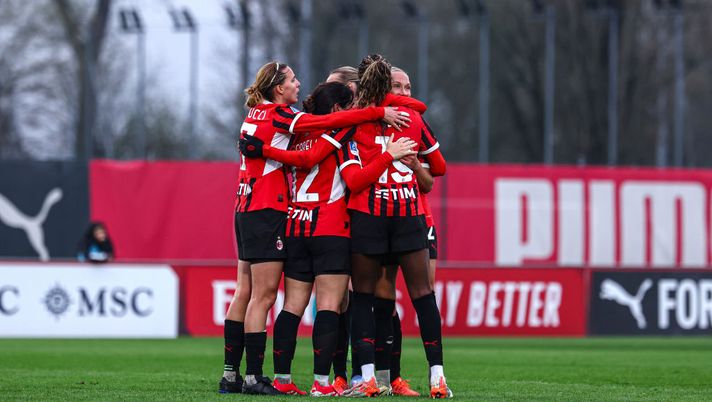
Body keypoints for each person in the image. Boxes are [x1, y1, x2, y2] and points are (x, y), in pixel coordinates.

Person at [219, 60, 412, 396]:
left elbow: (296, 152)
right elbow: (341, 156)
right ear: (278, 88)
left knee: (264, 297)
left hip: (274, 216)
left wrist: (264, 149)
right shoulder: (295, 121)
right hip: (314, 222)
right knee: (324, 304)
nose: (298, 84)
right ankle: (319, 381)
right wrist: (376, 123)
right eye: (292, 79)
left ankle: (245, 375)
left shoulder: (273, 126)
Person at [344, 54, 452, 399]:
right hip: (406, 215)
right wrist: (404, 157)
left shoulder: (350, 124)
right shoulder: (415, 119)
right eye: (397, 86)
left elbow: (355, 182)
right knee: (423, 296)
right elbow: (439, 165)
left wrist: (391, 157)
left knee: (362, 298)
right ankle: (437, 376)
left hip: (368, 217)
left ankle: (368, 379)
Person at [372, 65, 443, 397]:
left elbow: (435, 172)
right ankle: (383, 377)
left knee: (423, 293)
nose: (405, 93)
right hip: (378, 220)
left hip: (416, 219)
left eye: (408, 87)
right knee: (380, 301)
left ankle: (436, 375)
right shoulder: (367, 120)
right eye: (397, 87)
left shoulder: (415, 121)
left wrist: (416, 165)